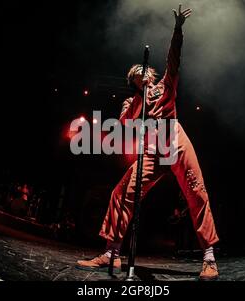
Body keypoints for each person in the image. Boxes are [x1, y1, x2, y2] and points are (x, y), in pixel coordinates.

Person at [76, 4, 220, 280]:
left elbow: (173, 60)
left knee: (197, 193)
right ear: (134, 82)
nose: (141, 75)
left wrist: (177, 30)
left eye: (143, 72)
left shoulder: (166, 85)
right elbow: (121, 126)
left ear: (151, 74)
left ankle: (209, 258)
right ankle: (112, 253)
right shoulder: (132, 101)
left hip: (175, 142)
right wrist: (138, 100)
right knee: (121, 193)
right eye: (135, 76)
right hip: (152, 151)